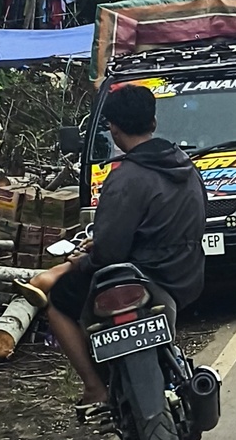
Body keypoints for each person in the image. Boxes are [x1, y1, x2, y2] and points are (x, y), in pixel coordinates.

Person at [38, 82, 208, 409]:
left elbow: (110, 252)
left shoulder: (125, 177)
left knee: (57, 303)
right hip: (184, 277)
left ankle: (94, 388)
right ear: (154, 123)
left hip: (137, 276)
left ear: (113, 130)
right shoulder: (185, 165)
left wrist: (78, 261)